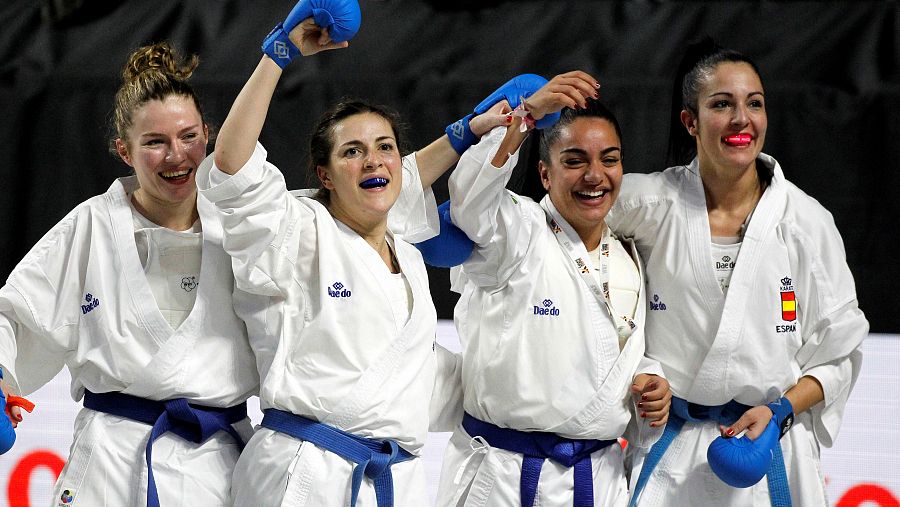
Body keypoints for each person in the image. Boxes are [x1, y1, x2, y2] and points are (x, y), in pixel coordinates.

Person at [195, 7, 511, 506]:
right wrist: (280, 50)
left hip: (394, 479)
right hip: (303, 475)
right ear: (324, 175)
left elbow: (402, 184)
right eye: (351, 152)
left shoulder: (406, 258)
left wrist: (470, 129)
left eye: (384, 147)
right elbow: (232, 166)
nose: (373, 160)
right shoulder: (297, 232)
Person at [607, 39, 867, 506]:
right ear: (691, 121)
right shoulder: (645, 204)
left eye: (755, 104)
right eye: (722, 104)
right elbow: (559, 227)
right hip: (673, 447)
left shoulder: (805, 222)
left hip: (768, 448)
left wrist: (781, 408)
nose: (741, 119)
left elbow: (839, 353)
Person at [0, 41, 258, 506]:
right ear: (124, 150)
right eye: (155, 142)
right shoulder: (91, 227)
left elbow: (345, 221)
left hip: (219, 468)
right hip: (113, 466)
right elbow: (14, 314)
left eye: (188, 137)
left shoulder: (245, 224)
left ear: (209, 134)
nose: (177, 156)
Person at [435, 73, 672, 507]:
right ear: (545, 173)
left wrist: (649, 379)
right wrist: (525, 117)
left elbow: (612, 354)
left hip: (596, 480)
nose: (595, 176)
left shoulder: (628, 258)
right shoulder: (519, 232)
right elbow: (470, 204)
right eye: (576, 160)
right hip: (503, 479)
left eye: (610, 159)